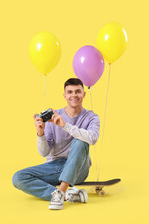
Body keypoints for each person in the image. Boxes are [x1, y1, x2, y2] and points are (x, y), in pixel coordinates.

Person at [12, 78, 100, 210]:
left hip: (79, 168)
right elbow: (44, 152)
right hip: (55, 167)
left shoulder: (92, 117)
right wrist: (40, 134)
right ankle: (68, 195)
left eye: (78, 91)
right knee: (18, 177)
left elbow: (92, 138)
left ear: (84, 94)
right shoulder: (54, 116)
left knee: (80, 141)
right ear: (65, 96)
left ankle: (61, 191)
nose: (74, 95)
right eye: (70, 92)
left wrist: (65, 125)